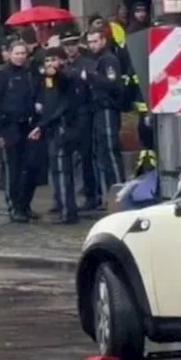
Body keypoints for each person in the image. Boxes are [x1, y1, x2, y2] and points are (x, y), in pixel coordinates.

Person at [0, 41, 41, 224]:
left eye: (23, 53)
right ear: (10, 54)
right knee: (13, 170)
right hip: (9, 127)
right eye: (17, 53)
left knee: (30, 168)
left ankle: (25, 205)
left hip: (27, 126)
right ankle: (14, 207)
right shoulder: (2, 74)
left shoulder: (29, 73)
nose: (20, 56)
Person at [37, 47, 79, 224]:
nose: (50, 64)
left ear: (61, 60)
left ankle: (68, 212)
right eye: (47, 61)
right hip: (51, 129)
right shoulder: (47, 80)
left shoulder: (67, 75)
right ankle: (61, 205)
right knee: (55, 170)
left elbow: (65, 81)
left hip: (63, 128)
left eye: (53, 60)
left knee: (63, 171)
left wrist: (56, 73)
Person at [62, 30, 102, 212]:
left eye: (73, 44)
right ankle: (68, 198)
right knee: (69, 159)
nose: (70, 48)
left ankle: (91, 195)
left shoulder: (88, 64)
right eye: (66, 45)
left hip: (85, 113)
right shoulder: (61, 66)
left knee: (86, 157)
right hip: (67, 115)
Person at [84, 28, 125, 200]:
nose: (92, 45)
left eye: (95, 41)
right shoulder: (97, 60)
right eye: (90, 42)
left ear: (103, 41)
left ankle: (119, 192)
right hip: (98, 110)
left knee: (110, 150)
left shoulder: (109, 59)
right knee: (101, 154)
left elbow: (113, 84)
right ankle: (110, 192)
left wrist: (91, 77)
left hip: (108, 108)